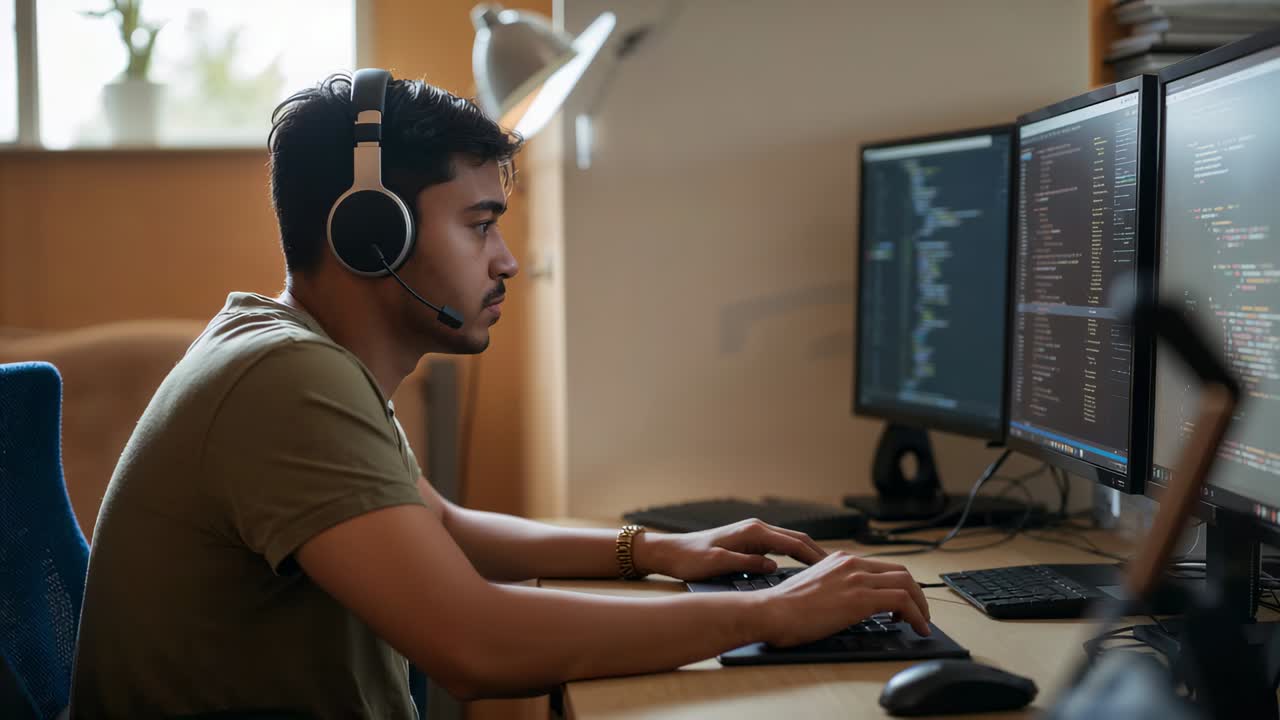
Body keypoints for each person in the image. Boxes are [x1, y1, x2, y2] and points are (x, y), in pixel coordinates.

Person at [70, 73, 930, 718]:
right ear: (371, 235)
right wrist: (772, 615)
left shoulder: (296, 354)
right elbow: (475, 646)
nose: (507, 260)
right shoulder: (286, 381)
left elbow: (444, 527)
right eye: (480, 224)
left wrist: (659, 550)